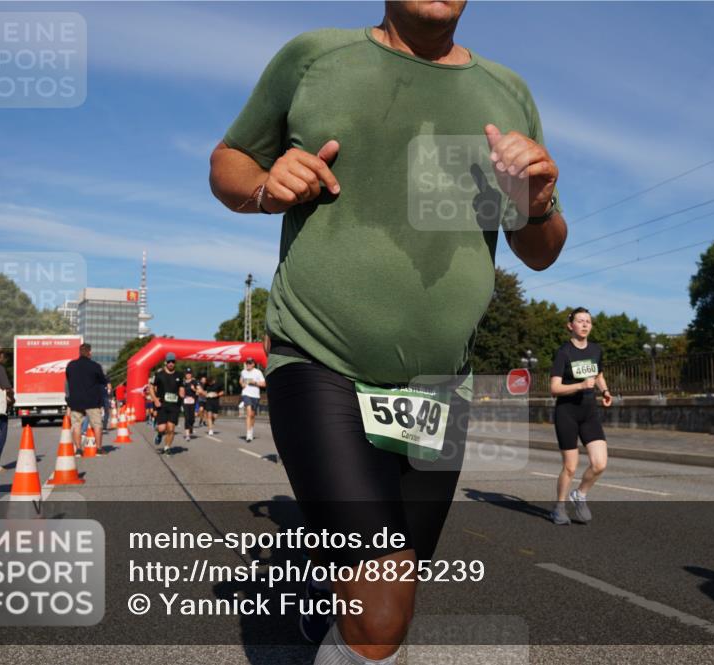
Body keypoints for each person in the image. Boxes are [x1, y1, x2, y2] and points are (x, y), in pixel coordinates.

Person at [209, 1, 566, 661]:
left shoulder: (507, 93)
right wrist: (264, 187)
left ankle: (326, 588)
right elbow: (228, 161)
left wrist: (537, 201)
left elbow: (540, 250)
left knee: (390, 593)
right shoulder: (314, 57)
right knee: (381, 609)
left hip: (439, 387)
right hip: (318, 357)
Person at [548, 308, 613, 525]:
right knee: (570, 467)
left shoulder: (596, 350)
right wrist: (580, 385)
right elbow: (554, 388)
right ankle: (559, 507)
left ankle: (580, 494)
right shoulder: (563, 352)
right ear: (571, 325)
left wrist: (605, 391)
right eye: (580, 321)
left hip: (589, 413)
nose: (585, 325)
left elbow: (599, 375)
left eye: (588, 321)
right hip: (566, 413)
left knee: (599, 464)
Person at [65, 343, 108, 455]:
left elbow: (68, 381)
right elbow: (103, 381)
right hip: (92, 400)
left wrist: (68, 399)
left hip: (76, 400)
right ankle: (99, 448)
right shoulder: (95, 366)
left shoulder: (71, 365)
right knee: (97, 424)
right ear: (90, 353)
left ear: (79, 352)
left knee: (76, 425)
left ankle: (79, 449)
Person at [148, 353, 184, 455]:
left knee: (171, 428)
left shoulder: (179, 375)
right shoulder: (159, 374)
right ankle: (159, 434)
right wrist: (155, 400)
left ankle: (167, 447)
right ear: (166, 362)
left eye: (173, 362)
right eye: (169, 362)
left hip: (174, 406)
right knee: (162, 428)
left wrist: (182, 397)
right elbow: (151, 388)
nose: (171, 363)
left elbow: (181, 389)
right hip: (162, 405)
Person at [239, 358, 265, 443]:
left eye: (250, 363)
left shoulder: (258, 372)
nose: (248, 364)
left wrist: (255, 383)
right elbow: (241, 380)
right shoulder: (243, 372)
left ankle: (251, 430)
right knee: (249, 413)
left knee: (252, 415)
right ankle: (248, 434)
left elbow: (264, 384)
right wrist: (242, 384)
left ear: (254, 364)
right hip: (246, 394)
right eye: (247, 363)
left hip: (255, 395)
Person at [181, 368, 199, 442]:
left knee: (192, 419)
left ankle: (191, 427)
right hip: (185, 401)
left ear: (191, 374)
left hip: (193, 401)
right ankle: (187, 435)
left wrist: (194, 389)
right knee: (187, 417)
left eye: (189, 373)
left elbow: (199, 391)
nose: (188, 375)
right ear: (185, 375)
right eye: (187, 373)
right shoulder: (183, 382)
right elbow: (180, 391)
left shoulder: (195, 382)